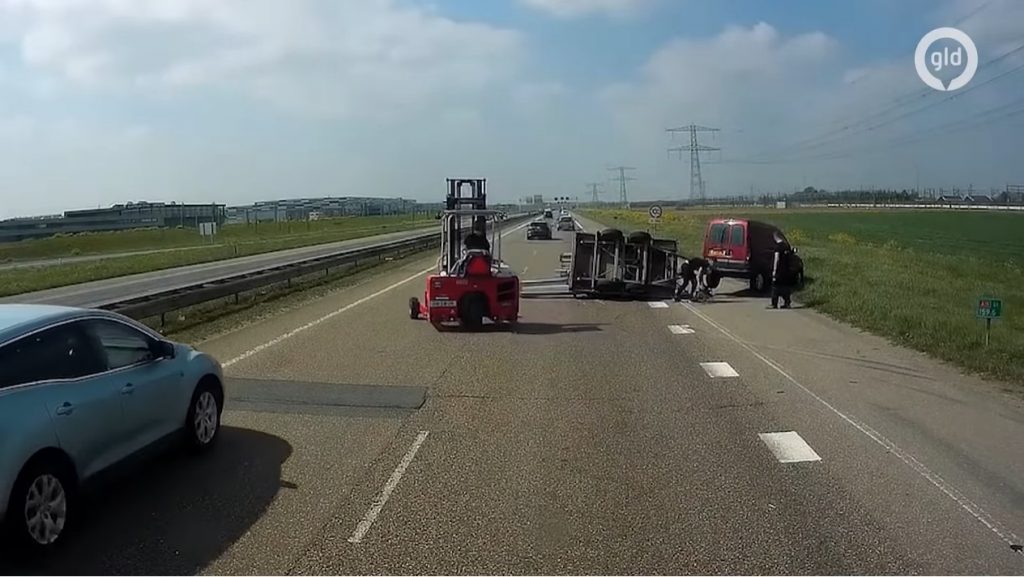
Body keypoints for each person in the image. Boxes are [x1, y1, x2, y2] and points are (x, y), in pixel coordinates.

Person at [770, 232, 796, 309]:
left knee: (775, 287)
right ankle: (787, 303)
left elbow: (776, 259)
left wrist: (774, 271)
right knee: (785, 287)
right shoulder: (787, 246)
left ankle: (774, 304)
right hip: (786, 270)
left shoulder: (778, 247)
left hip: (779, 271)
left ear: (775, 238)